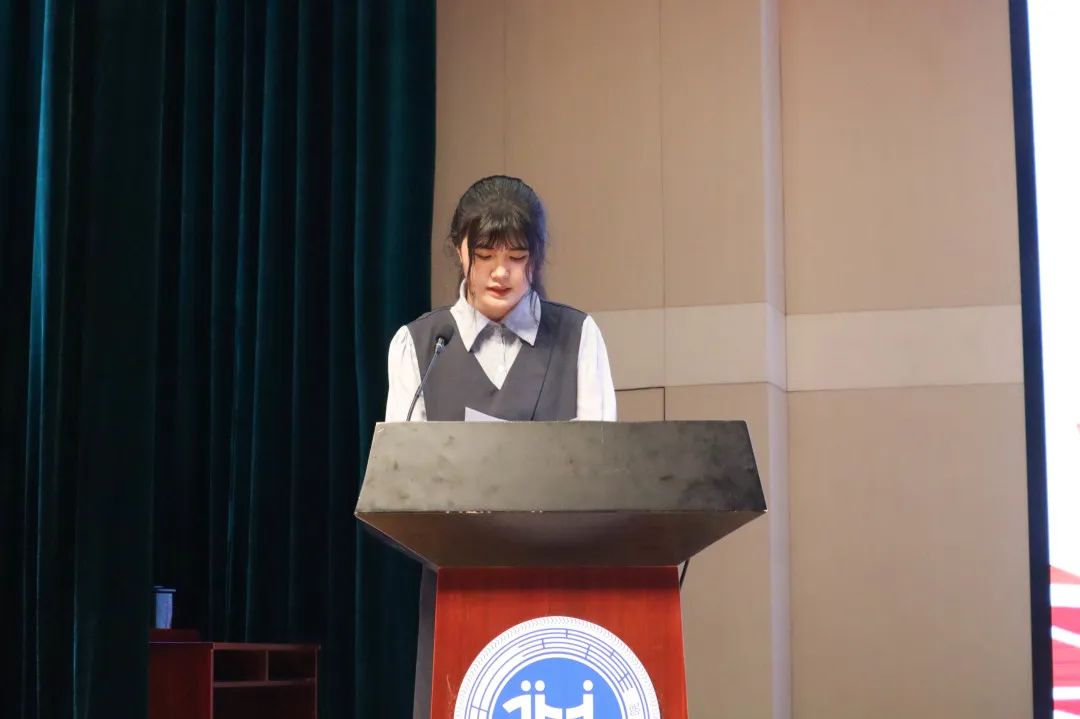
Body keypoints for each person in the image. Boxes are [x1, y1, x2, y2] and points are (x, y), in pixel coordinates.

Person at [383, 175, 617, 718]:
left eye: (516, 256)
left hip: (560, 582)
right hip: (456, 585)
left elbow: (604, 472)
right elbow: (400, 482)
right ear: (459, 250)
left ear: (537, 258)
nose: (500, 272)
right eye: (485, 255)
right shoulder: (419, 345)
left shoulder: (578, 337)